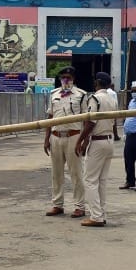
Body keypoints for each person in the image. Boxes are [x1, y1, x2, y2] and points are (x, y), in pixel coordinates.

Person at [43, 65, 87, 217]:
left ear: (73, 79)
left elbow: (87, 119)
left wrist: (84, 141)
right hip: (56, 136)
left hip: (73, 136)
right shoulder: (54, 94)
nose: (65, 80)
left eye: (68, 77)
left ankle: (80, 206)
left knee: (76, 173)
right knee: (56, 173)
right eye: (63, 77)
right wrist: (46, 138)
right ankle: (57, 205)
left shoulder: (81, 95)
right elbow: (50, 117)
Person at [76, 72, 118, 227]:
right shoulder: (112, 99)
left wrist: (80, 140)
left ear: (98, 82)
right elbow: (114, 122)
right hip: (109, 140)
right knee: (101, 181)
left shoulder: (95, 98)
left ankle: (96, 216)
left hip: (98, 141)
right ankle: (101, 214)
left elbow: (90, 123)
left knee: (90, 180)